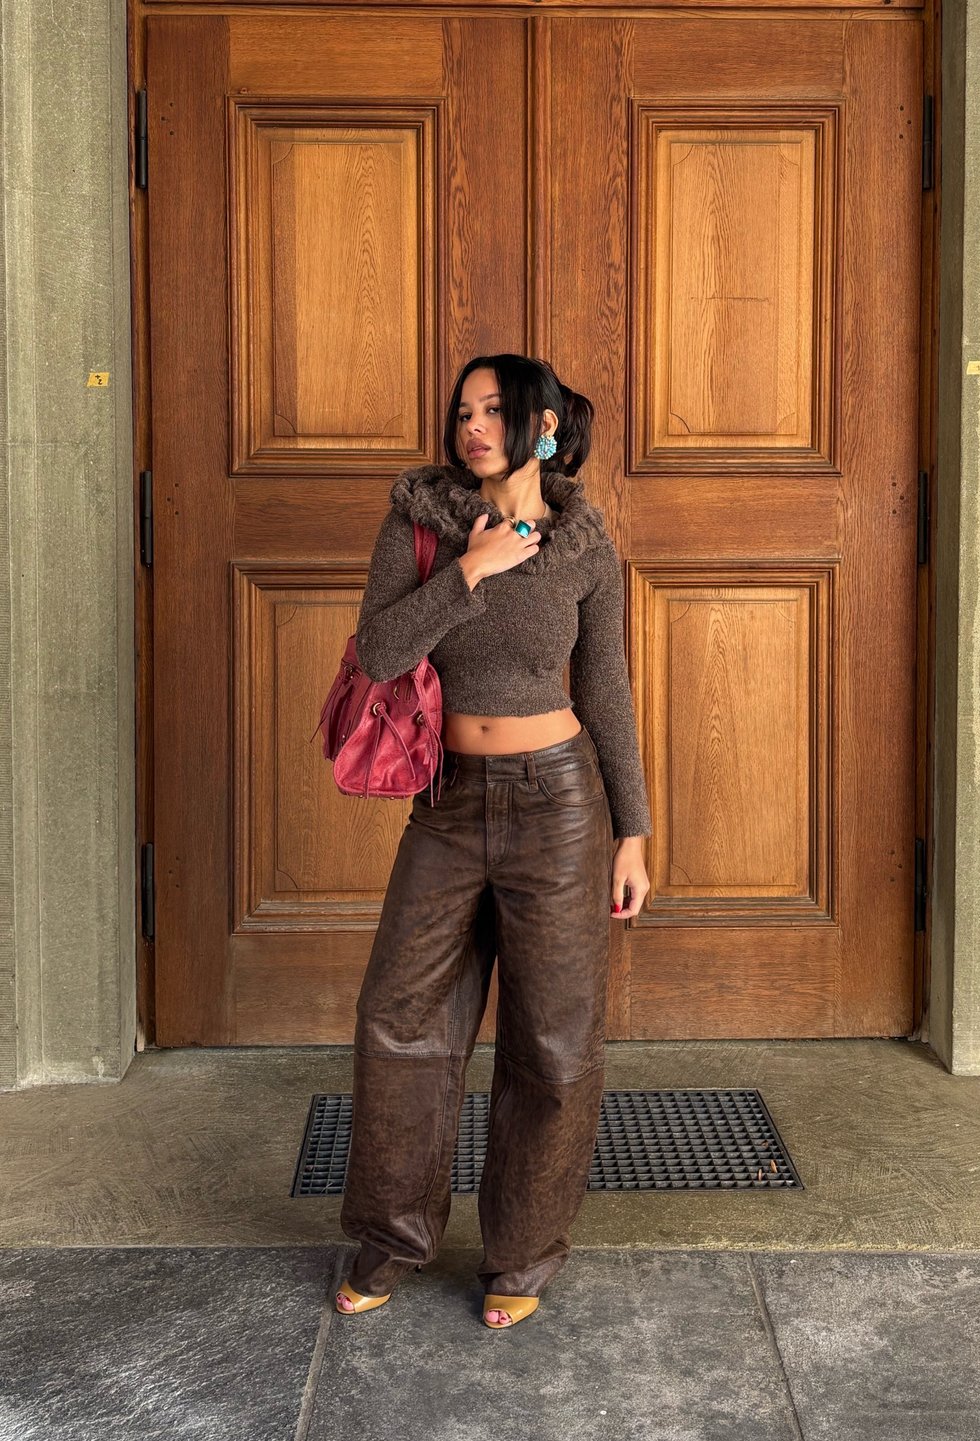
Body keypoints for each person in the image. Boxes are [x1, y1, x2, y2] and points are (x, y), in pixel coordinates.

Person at [334, 353, 652, 1329]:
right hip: (446, 801)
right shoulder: (421, 519)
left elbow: (604, 690)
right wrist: (470, 567)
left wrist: (632, 829)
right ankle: (390, 1241)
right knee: (398, 1025)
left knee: (552, 1044)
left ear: (545, 424)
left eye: (495, 410)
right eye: (462, 411)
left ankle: (522, 1253)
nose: (473, 426)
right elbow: (379, 652)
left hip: (559, 806)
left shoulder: (584, 544)